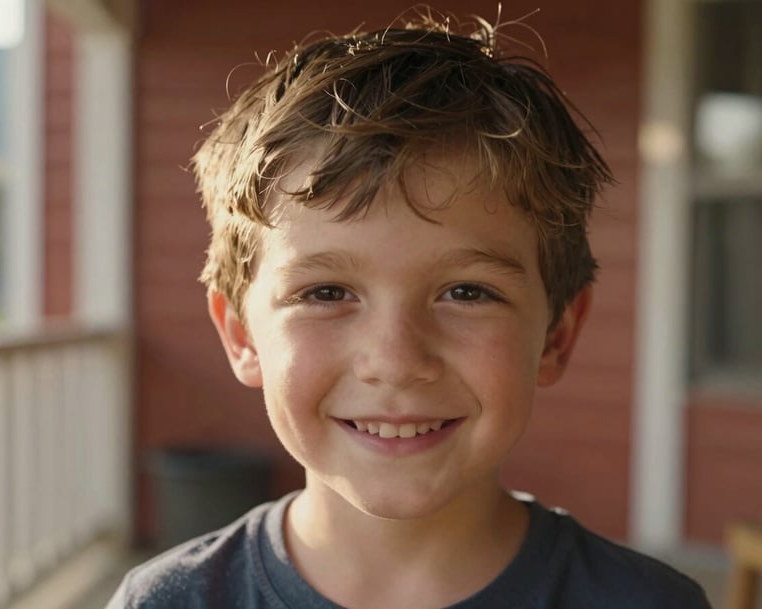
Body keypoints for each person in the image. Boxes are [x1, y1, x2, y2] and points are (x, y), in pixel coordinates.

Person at [107, 9, 712, 609]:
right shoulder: (167, 602)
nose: (395, 361)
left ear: (555, 335)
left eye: (467, 292)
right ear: (242, 335)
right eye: (326, 293)